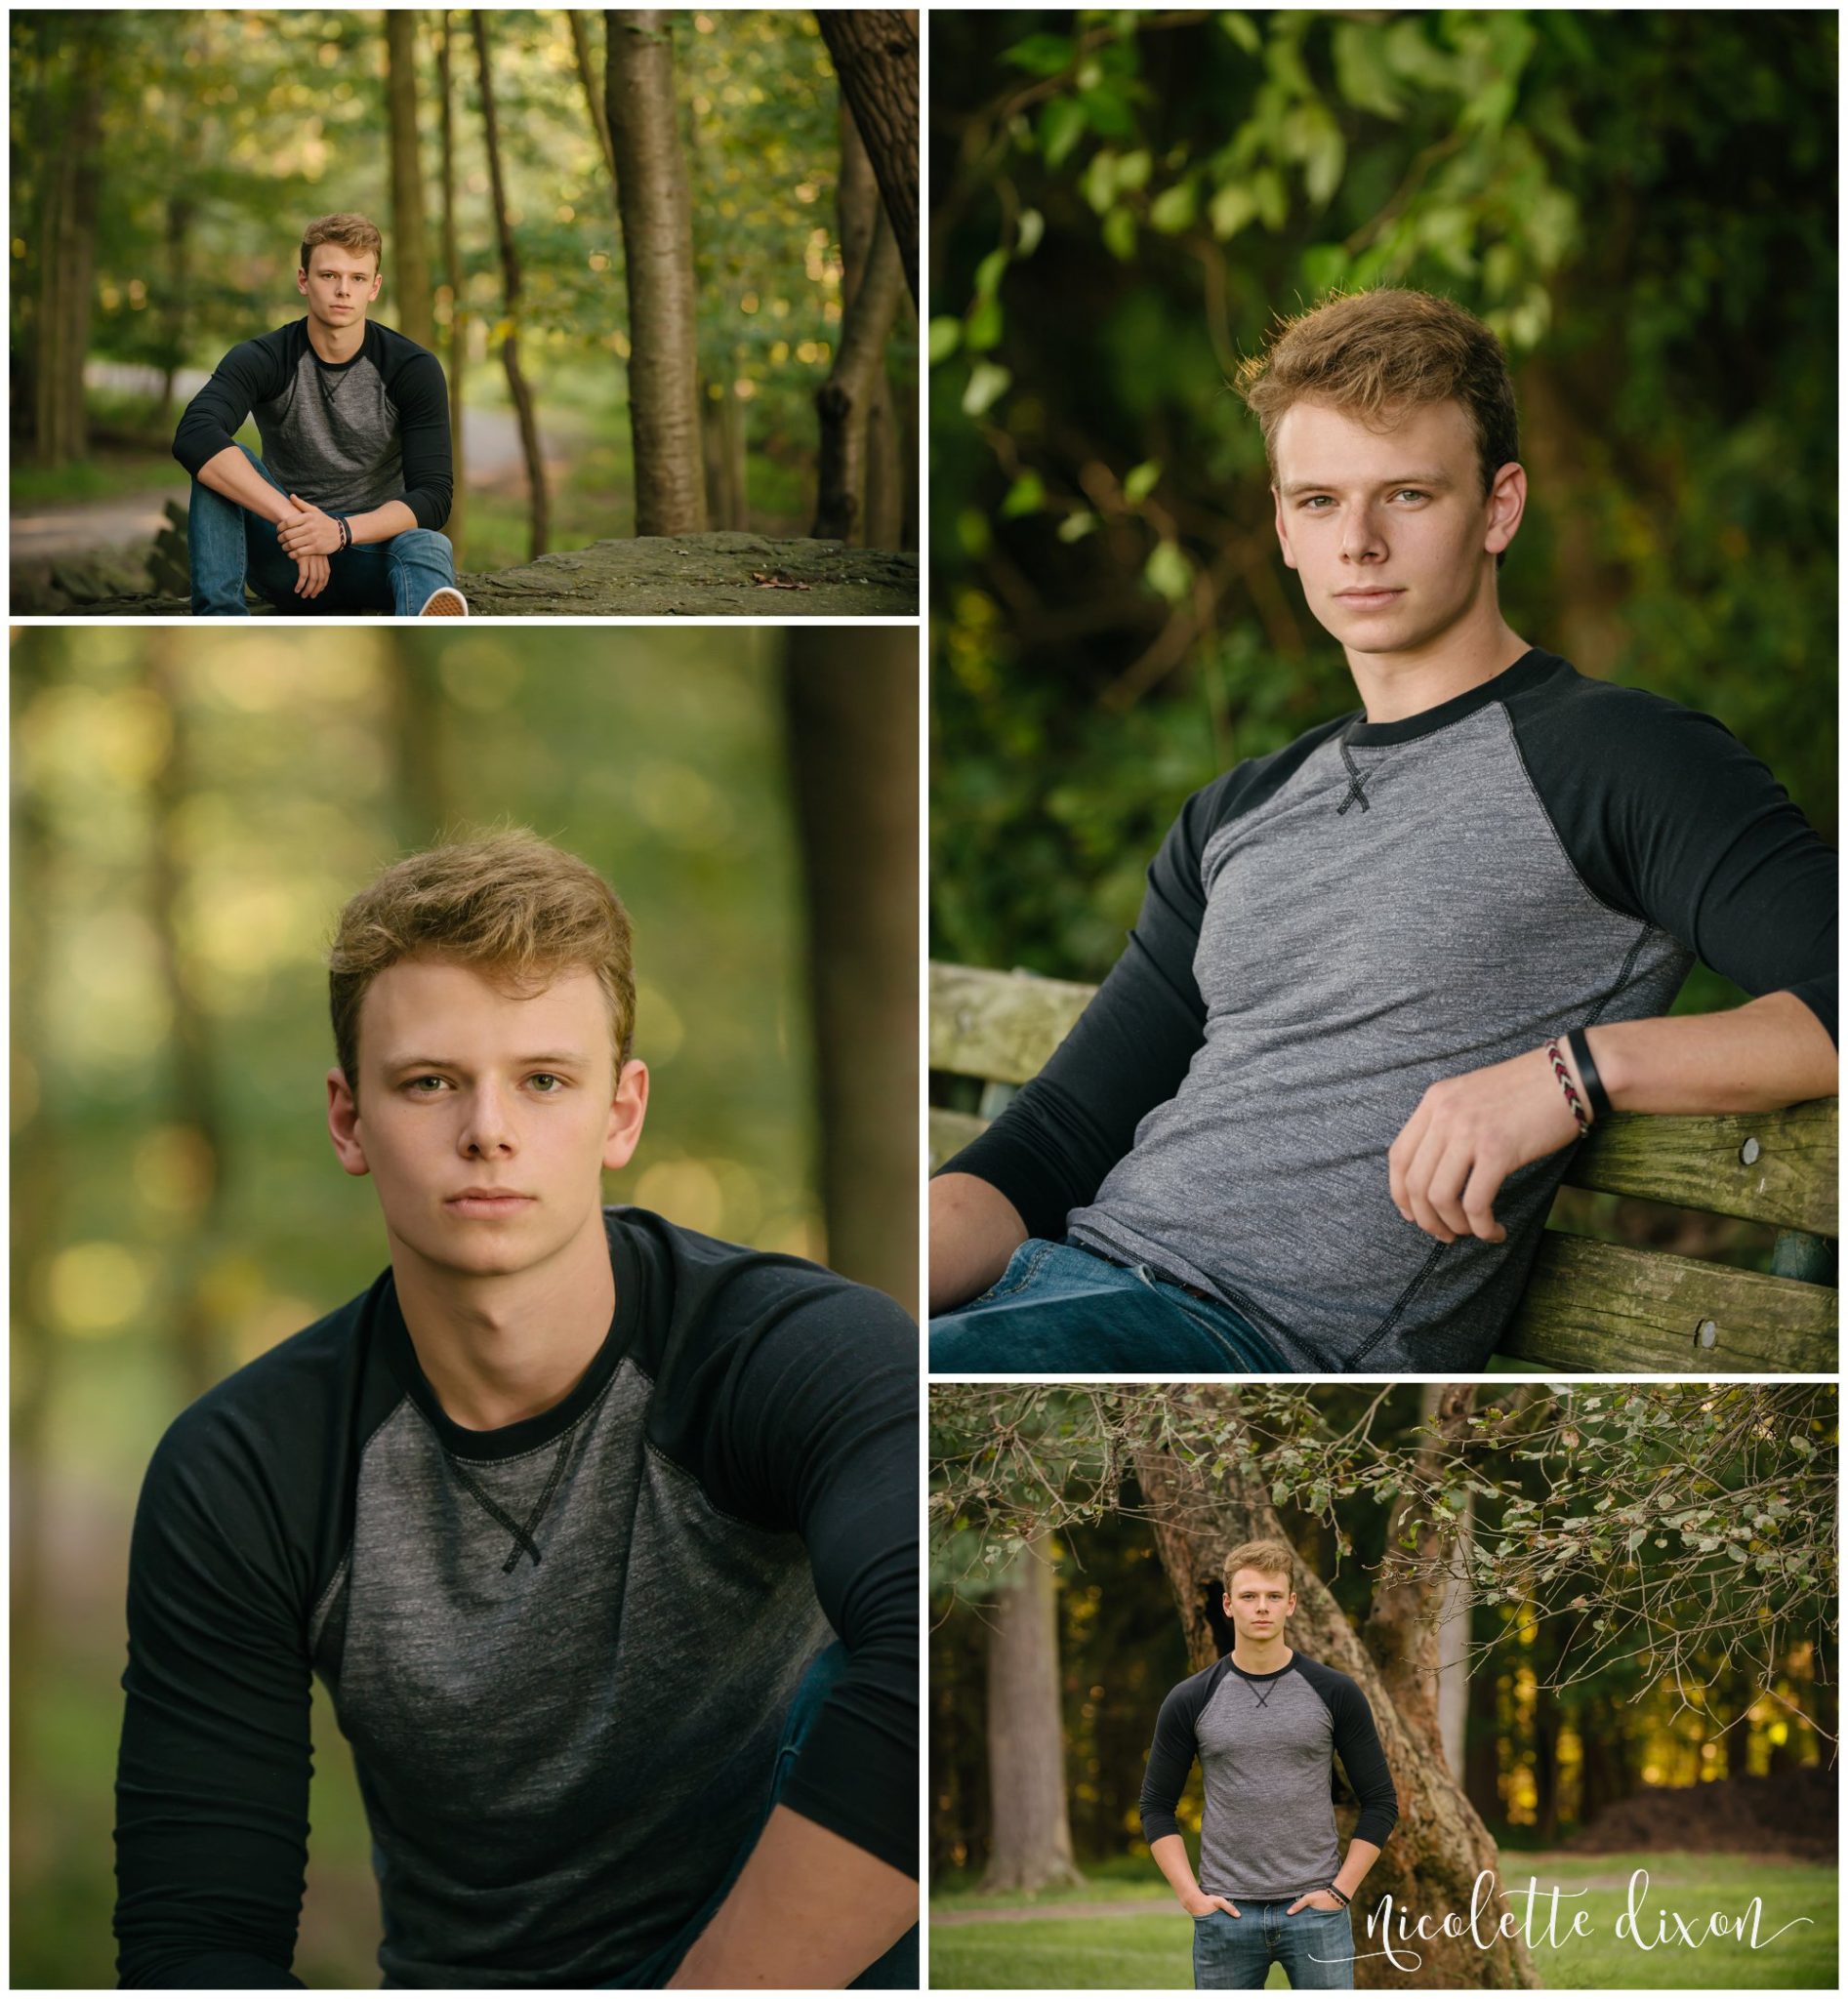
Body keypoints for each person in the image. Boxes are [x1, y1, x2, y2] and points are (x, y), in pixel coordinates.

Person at [929, 287, 1837, 1374]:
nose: (1357, 542)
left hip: (1237, 1352)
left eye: (1406, 494)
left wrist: (1571, 1073)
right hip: (1050, 1293)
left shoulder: (1618, 758)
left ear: (1499, 508)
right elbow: (1057, 1138)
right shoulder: (1238, 811)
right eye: (1318, 501)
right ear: (1281, 526)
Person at [112, 831, 918, 1988]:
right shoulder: (247, 1466)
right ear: (348, 1119)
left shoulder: (793, 1352)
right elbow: (197, 1943)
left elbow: (931, 1655)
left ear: (622, 1110)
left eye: (543, 1079)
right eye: (429, 1080)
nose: (487, 1128)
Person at [172, 213, 468, 618]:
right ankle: (219, 620)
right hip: (287, 557)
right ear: (303, 280)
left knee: (429, 543)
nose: (343, 290)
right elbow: (194, 434)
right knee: (219, 465)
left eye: (358, 278)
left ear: (375, 287)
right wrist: (298, 524)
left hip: (375, 557)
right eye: (329, 275)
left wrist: (339, 533)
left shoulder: (412, 367)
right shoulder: (264, 358)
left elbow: (434, 496)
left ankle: (425, 634)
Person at [1140, 1540, 1397, 1991]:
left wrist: (1338, 1893)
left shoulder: (1335, 1692)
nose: (1262, 1608)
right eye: (1249, 1596)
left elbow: (1380, 1803)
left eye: (1274, 1596)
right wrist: (1190, 1896)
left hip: (1317, 1912)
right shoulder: (1190, 1698)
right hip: (1225, 1915)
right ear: (1228, 1605)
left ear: (1291, 1604)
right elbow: (1156, 1806)